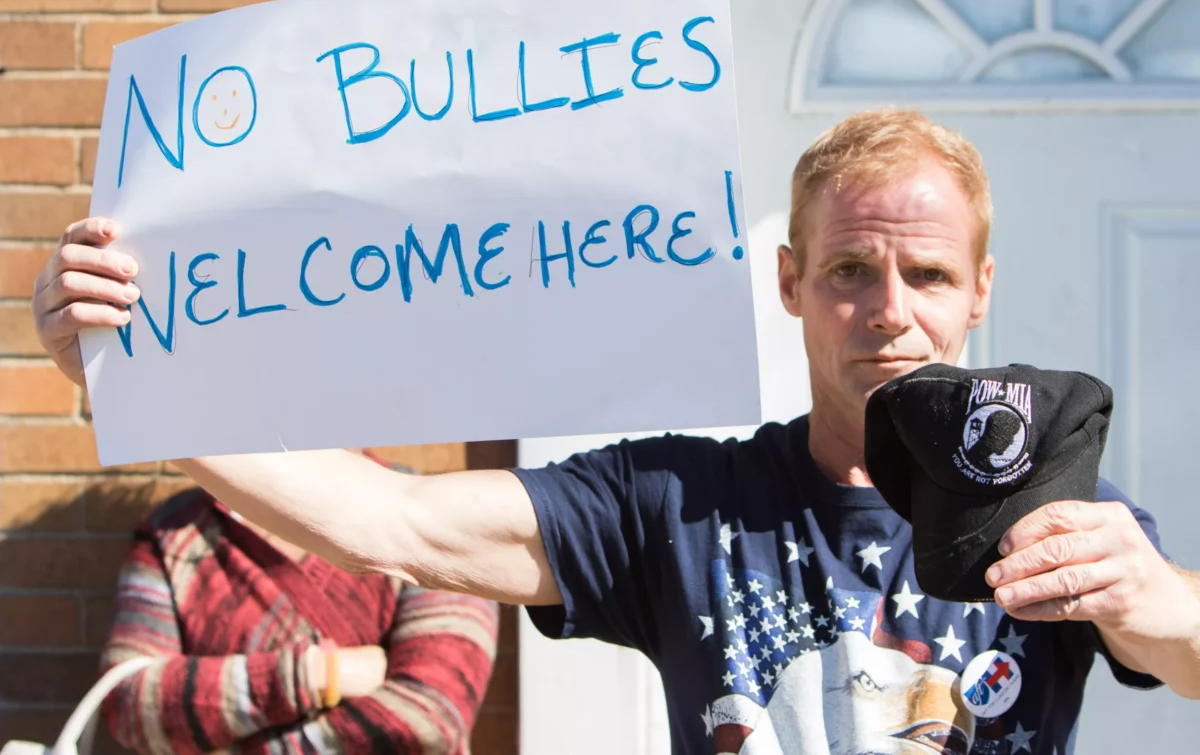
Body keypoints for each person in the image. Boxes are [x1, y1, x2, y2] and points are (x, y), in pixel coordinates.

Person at [35, 108, 1200, 754]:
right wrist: (129, 369)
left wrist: (1154, 600)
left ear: (979, 288)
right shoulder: (678, 504)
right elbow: (391, 521)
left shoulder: (1045, 513)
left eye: (928, 274)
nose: (890, 311)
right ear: (790, 282)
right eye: (852, 269)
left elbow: (1186, 652)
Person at [97, 454, 498, 755]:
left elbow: (429, 714)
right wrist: (316, 674)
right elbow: (128, 700)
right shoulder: (175, 531)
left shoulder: (428, 516)